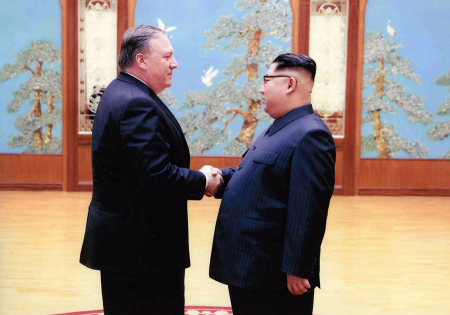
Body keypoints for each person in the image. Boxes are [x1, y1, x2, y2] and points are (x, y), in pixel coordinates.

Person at [79, 25, 222, 315]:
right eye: (167, 56)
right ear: (142, 60)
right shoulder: (136, 103)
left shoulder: (120, 90)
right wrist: (203, 179)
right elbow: (157, 175)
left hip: (129, 242)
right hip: (141, 248)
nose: (175, 63)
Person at [209, 53, 336, 315]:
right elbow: (256, 176)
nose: (261, 87)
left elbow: (308, 208)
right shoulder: (280, 127)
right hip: (252, 265)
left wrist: (297, 268)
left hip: (273, 273)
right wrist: (219, 178)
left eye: (267, 79)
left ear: (289, 84)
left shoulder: (310, 133)